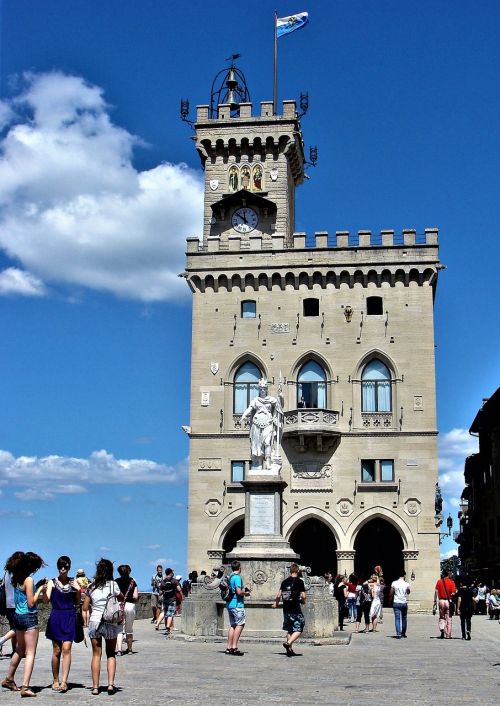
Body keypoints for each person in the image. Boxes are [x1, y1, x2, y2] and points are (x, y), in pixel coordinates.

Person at [2, 551, 47, 697]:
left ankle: (9, 678)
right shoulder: (29, 580)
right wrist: (40, 589)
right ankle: (25, 686)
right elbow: (31, 602)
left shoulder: (16, 578)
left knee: (19, 649)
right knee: (30, 653)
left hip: (18, 616)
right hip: (29, 617)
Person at [82, 558, 123, 695]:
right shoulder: (113, 585)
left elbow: (85, 606)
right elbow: (121, 597)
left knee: (96, 655)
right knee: (111, 654)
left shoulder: (91, 586)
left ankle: (95, 687)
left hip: (95, 622)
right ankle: (110, 685)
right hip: (110, 622)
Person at [44, 555, 80, 692]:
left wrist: (78, 590)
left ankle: (64, 681)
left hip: (69, 616)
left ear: (69, 567)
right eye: (60, 566)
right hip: (56, 616)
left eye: (65, 566)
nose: (63, 569)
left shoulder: (73, 582)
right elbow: (46, 600)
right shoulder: (53, 582)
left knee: (67, 649)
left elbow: (77, 602)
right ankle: (55, 679)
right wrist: (44, 588)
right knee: (57, 651)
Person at [240, 378, 283, 471]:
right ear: (259, 390)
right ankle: (259, 464)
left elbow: (280, 406)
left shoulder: (271, 399)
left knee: (267, 442)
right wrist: (244, 415)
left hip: (268, 422)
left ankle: (268, 462)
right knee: (258, 444)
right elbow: (250, 408)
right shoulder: (255, 400)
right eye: (261, 389)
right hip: (257, 423)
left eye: (264, 389)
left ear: (266, 389)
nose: (262, 390)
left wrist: (281, 396)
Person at [273, 563, 306, 656]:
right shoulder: (299, 582)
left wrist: (276, 604)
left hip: (286, 609)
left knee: (290, 629)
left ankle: (289, 650)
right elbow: (303, 595)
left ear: (290, 571)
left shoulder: (284, 582)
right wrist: (303, 601)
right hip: (295, 608)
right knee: (300, 627)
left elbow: (278, 595)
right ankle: (288, 643)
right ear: (298, 571)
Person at [224, 560, 250, 656]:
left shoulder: (230, 577)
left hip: (229, 604)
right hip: (237, 604)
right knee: (240, 624)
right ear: (239, 568)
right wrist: (246, 593)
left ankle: (228, 647)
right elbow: (239, 592)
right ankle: (234, 647)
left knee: (233, 625)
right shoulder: (237, 577)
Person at [0, 551, 23, 658]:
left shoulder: (6, 573)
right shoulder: (18, 573)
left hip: (8, 605)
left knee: (13, 628)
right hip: (17, 604)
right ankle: (2, 641)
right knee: (19, 629)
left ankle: (15, 651)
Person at [115, 565, 138, 656]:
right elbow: (135, 596)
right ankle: (129, 649)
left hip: (118, 605)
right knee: (129, 629)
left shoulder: (115, 582)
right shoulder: (133, 581)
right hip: (129, 605)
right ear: (129, 571)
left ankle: (119, 650)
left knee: (119, 629)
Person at [433, 569, 457, 639]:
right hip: (448, 601)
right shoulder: (452, 582)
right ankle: (448, 635)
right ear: (449, 574)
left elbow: (436, 592)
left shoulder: (439, 582)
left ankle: (442, 629)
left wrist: (434, 601)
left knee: (442, 617)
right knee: (449, 618)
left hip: (441, 601)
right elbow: (453, 593)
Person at [156, 568, 179, 636]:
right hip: (172, 599)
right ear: (170, 573)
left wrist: (163, 591)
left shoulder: (163, 581)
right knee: (170, 614)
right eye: (172, 572)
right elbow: (179, 589)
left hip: (165, 599)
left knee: (164, 612)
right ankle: (168, 626)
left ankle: (157, 624)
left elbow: (160, 592)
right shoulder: (174, 580)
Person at [389, 570, 410, 638]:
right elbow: (408, 592)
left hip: (396, 602)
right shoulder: (406, 584)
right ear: (404, 575)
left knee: (397, 618)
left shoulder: (394, 583)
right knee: (404, 618)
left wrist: (390, 601)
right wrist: (407, 589)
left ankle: (398, 634)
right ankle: (403, 633)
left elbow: (391, 593)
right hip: (404, 602)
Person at [456, 575, 476, 640]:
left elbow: (459, 600)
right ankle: (468, 631)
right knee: (468, 620)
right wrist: (474, 606)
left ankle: (463, 635)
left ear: (462, 583)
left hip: (462, 607)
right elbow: (473, 599)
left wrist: (458, 608)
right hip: (469, 607)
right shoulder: (470, 591)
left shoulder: (460, 590)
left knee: (462, 621)